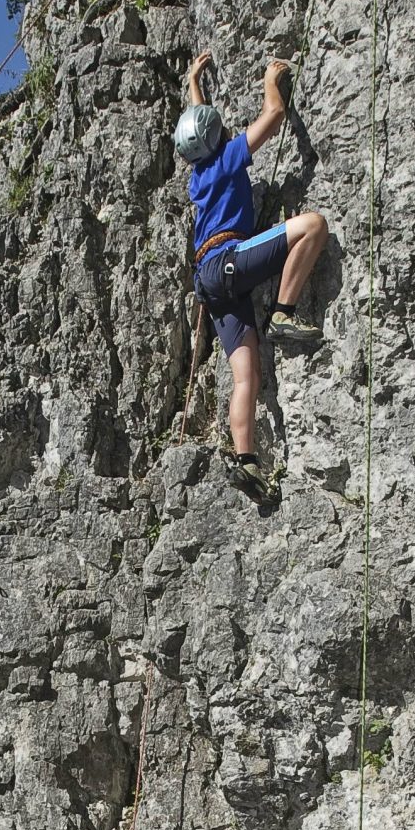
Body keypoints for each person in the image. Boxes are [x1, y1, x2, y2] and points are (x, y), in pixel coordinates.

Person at [176, 52, 331, 499]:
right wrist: (271, 79)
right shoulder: (226, 156)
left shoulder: (198, 174)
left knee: (247, 376)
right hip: (227, 259)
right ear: (218, 136)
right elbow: (274, 115)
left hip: (210, 281)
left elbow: (201, 130)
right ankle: (283, 312)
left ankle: (246, 463)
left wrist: (194, 83)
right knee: (312, 225)